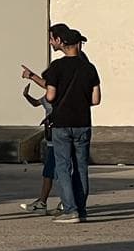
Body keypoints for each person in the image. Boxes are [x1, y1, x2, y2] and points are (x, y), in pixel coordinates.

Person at [43, 26, 101, 224]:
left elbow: (50, 96)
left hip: (62, 124)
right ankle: (82, 209)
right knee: (81, 167)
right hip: (83, 123)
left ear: (62, 43)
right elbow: (95, 100)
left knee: (63, 167)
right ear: (78, 44)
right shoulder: (89, 68)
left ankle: (70, 209)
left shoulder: (56, 67)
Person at [18, 23, 69, 215]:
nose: (49, 42)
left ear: (59, 40)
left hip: (63, 131)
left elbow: (49, 84)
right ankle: (45, 201)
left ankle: (68, 202)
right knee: (50, 170)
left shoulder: (69, 66)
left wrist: (31, 76)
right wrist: (28, 94)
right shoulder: (49, 96)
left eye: (51, 38)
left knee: (64, 169)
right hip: (52, 136)